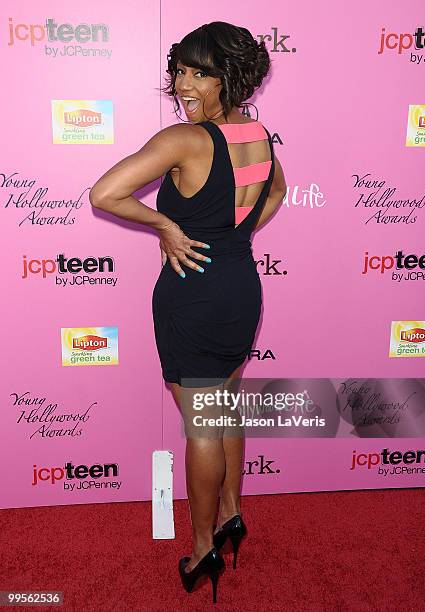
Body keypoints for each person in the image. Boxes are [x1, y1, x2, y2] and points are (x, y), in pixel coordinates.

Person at [89, 21, 286, 604]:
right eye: (180, 70)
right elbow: (275, 192)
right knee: (224, 405)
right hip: (239, 284)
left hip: (193, 293)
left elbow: (104, 193)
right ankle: (231, 515)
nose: (184, 84)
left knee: (203, 422)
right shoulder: (258, 133)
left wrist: (168, 224)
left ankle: (202, 550)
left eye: (202, 72)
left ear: (231, 76)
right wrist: (231, 237)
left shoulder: (184, 139)